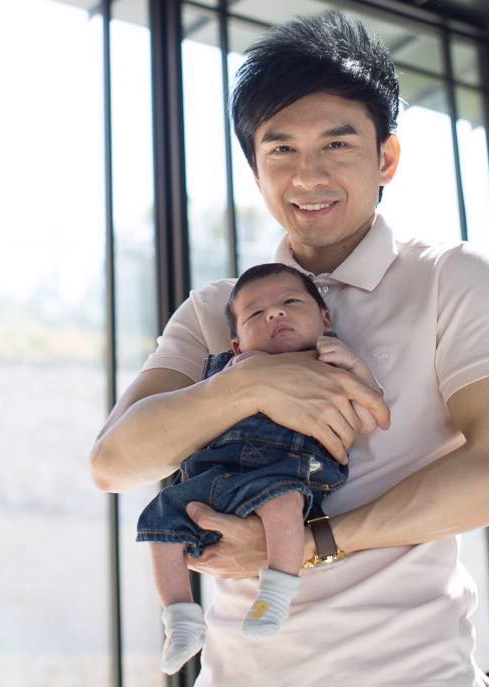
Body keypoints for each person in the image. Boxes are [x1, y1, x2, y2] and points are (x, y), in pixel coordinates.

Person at [90, 10, 489, 687]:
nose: (308, 176)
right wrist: (248, 384)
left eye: (337, 144)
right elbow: (114, 461)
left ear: (385, 157)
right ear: (255, 170)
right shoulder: (219, 311)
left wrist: (312, 544)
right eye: (281, 150)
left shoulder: (449, 276)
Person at [137, 263, 381, 675]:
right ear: (236, 344)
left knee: (282, 504)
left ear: (325, 319)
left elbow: (371, 420)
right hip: (215, 478)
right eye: (255, 314)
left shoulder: (333, 363)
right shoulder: (227, 373)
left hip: (289, 472)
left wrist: (357, 369)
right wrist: (236, 383)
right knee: (160, 520)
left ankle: (276, 594)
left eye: (290, 302)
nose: (275, 314)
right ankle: (180, 618)